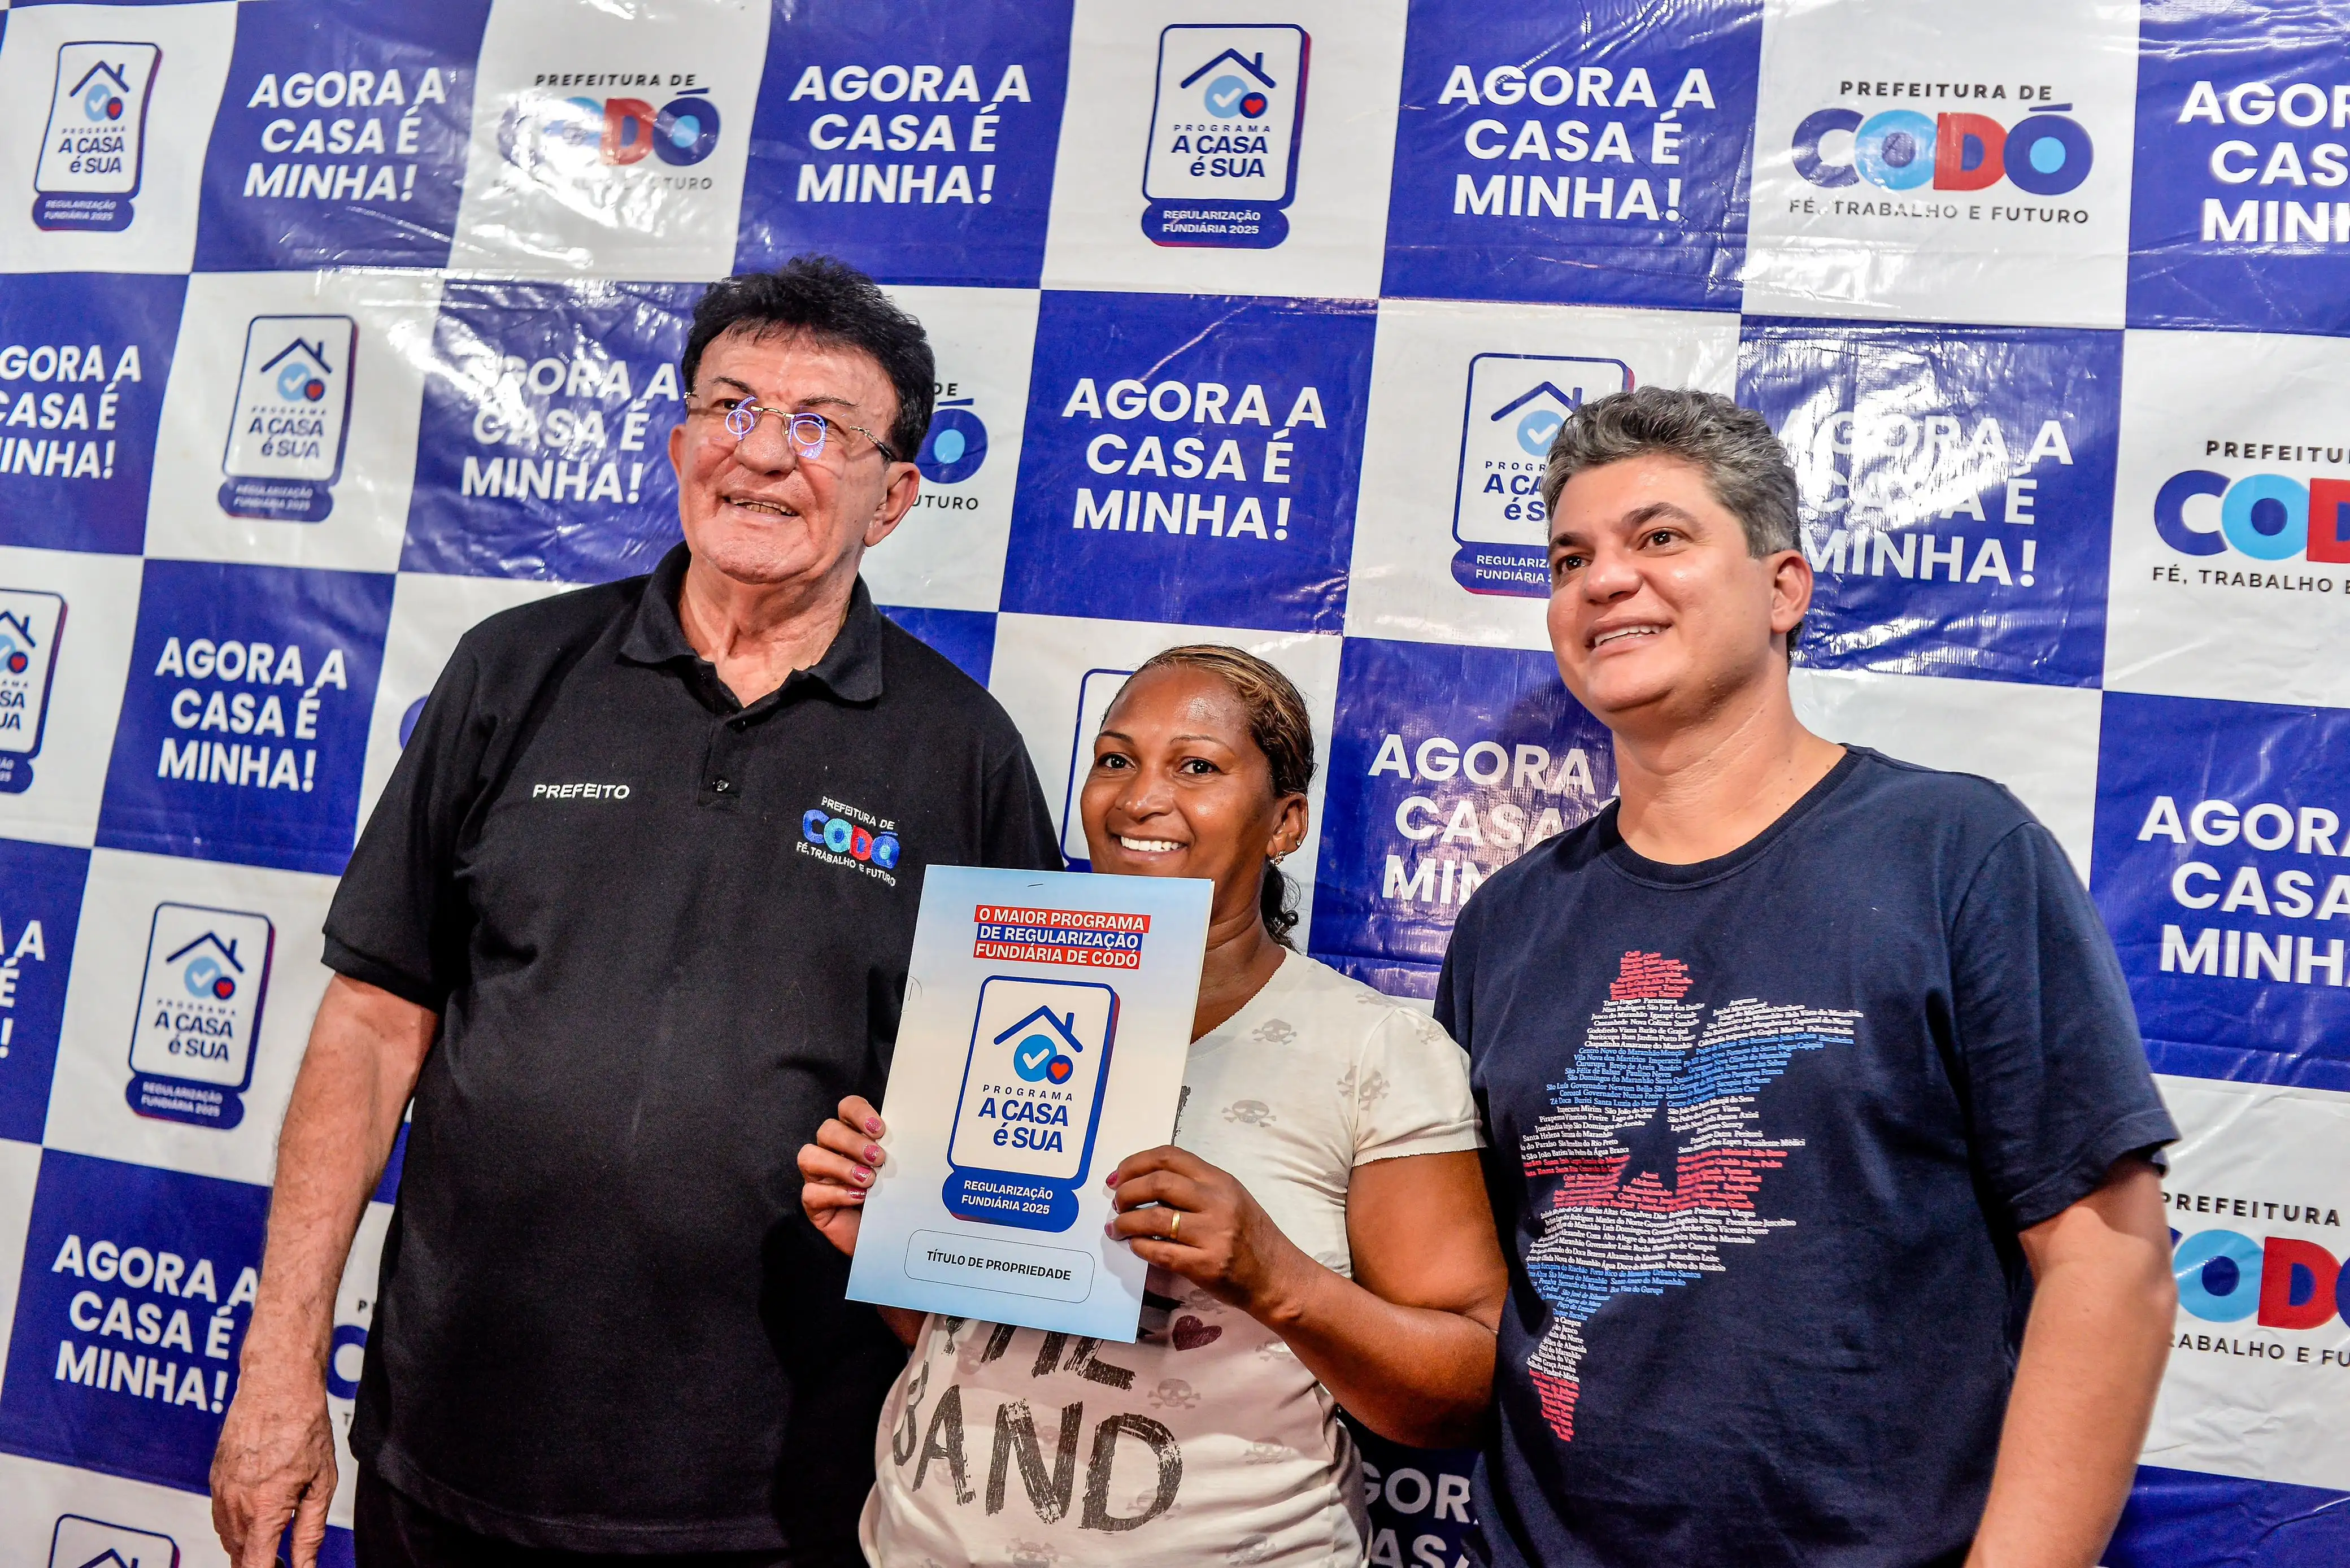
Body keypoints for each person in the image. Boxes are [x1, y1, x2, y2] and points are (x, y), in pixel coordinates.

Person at [209, 256, 1063, 1567]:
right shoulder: (513, 669)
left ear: (894, 495)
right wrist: (278, 1364)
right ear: (678, 443)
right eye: (732, 407)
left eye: (819, 426)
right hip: (446, 1458)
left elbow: (1010, 1128)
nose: (761, 453)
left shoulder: (965, 754)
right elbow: (372, 1026)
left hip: (773, 1503)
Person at [1439, 387, 2179, 1567]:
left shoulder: (1955, 851)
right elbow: (1471, 1296)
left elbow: (2109, 1260)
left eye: (1659, 537)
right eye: (1571, 558)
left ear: (1784, 588)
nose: (1605, 579)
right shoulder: (1506, 922)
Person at [799, 646, 1511, 1566]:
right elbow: (975, 1345)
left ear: (1285, 822)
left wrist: (1278, 1279)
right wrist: (892, 1245)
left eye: (1198, 767)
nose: (1140, 798)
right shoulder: (989, 999)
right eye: (1116, 758)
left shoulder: (1372, 1050)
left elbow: (1465, 1390)